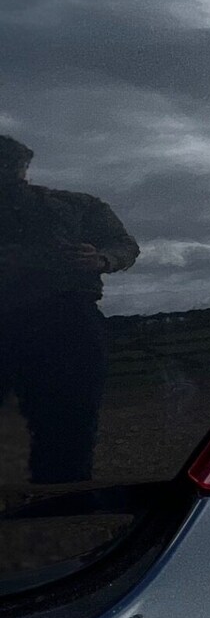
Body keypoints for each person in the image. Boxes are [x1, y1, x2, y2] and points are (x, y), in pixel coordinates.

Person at [0, 135, 138, 484]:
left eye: (9, 160)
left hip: (66, 324)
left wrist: (102, 258)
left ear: (24, 164)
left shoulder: (75, 205)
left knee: (68, 427)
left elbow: (124, 245)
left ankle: (63, 501)